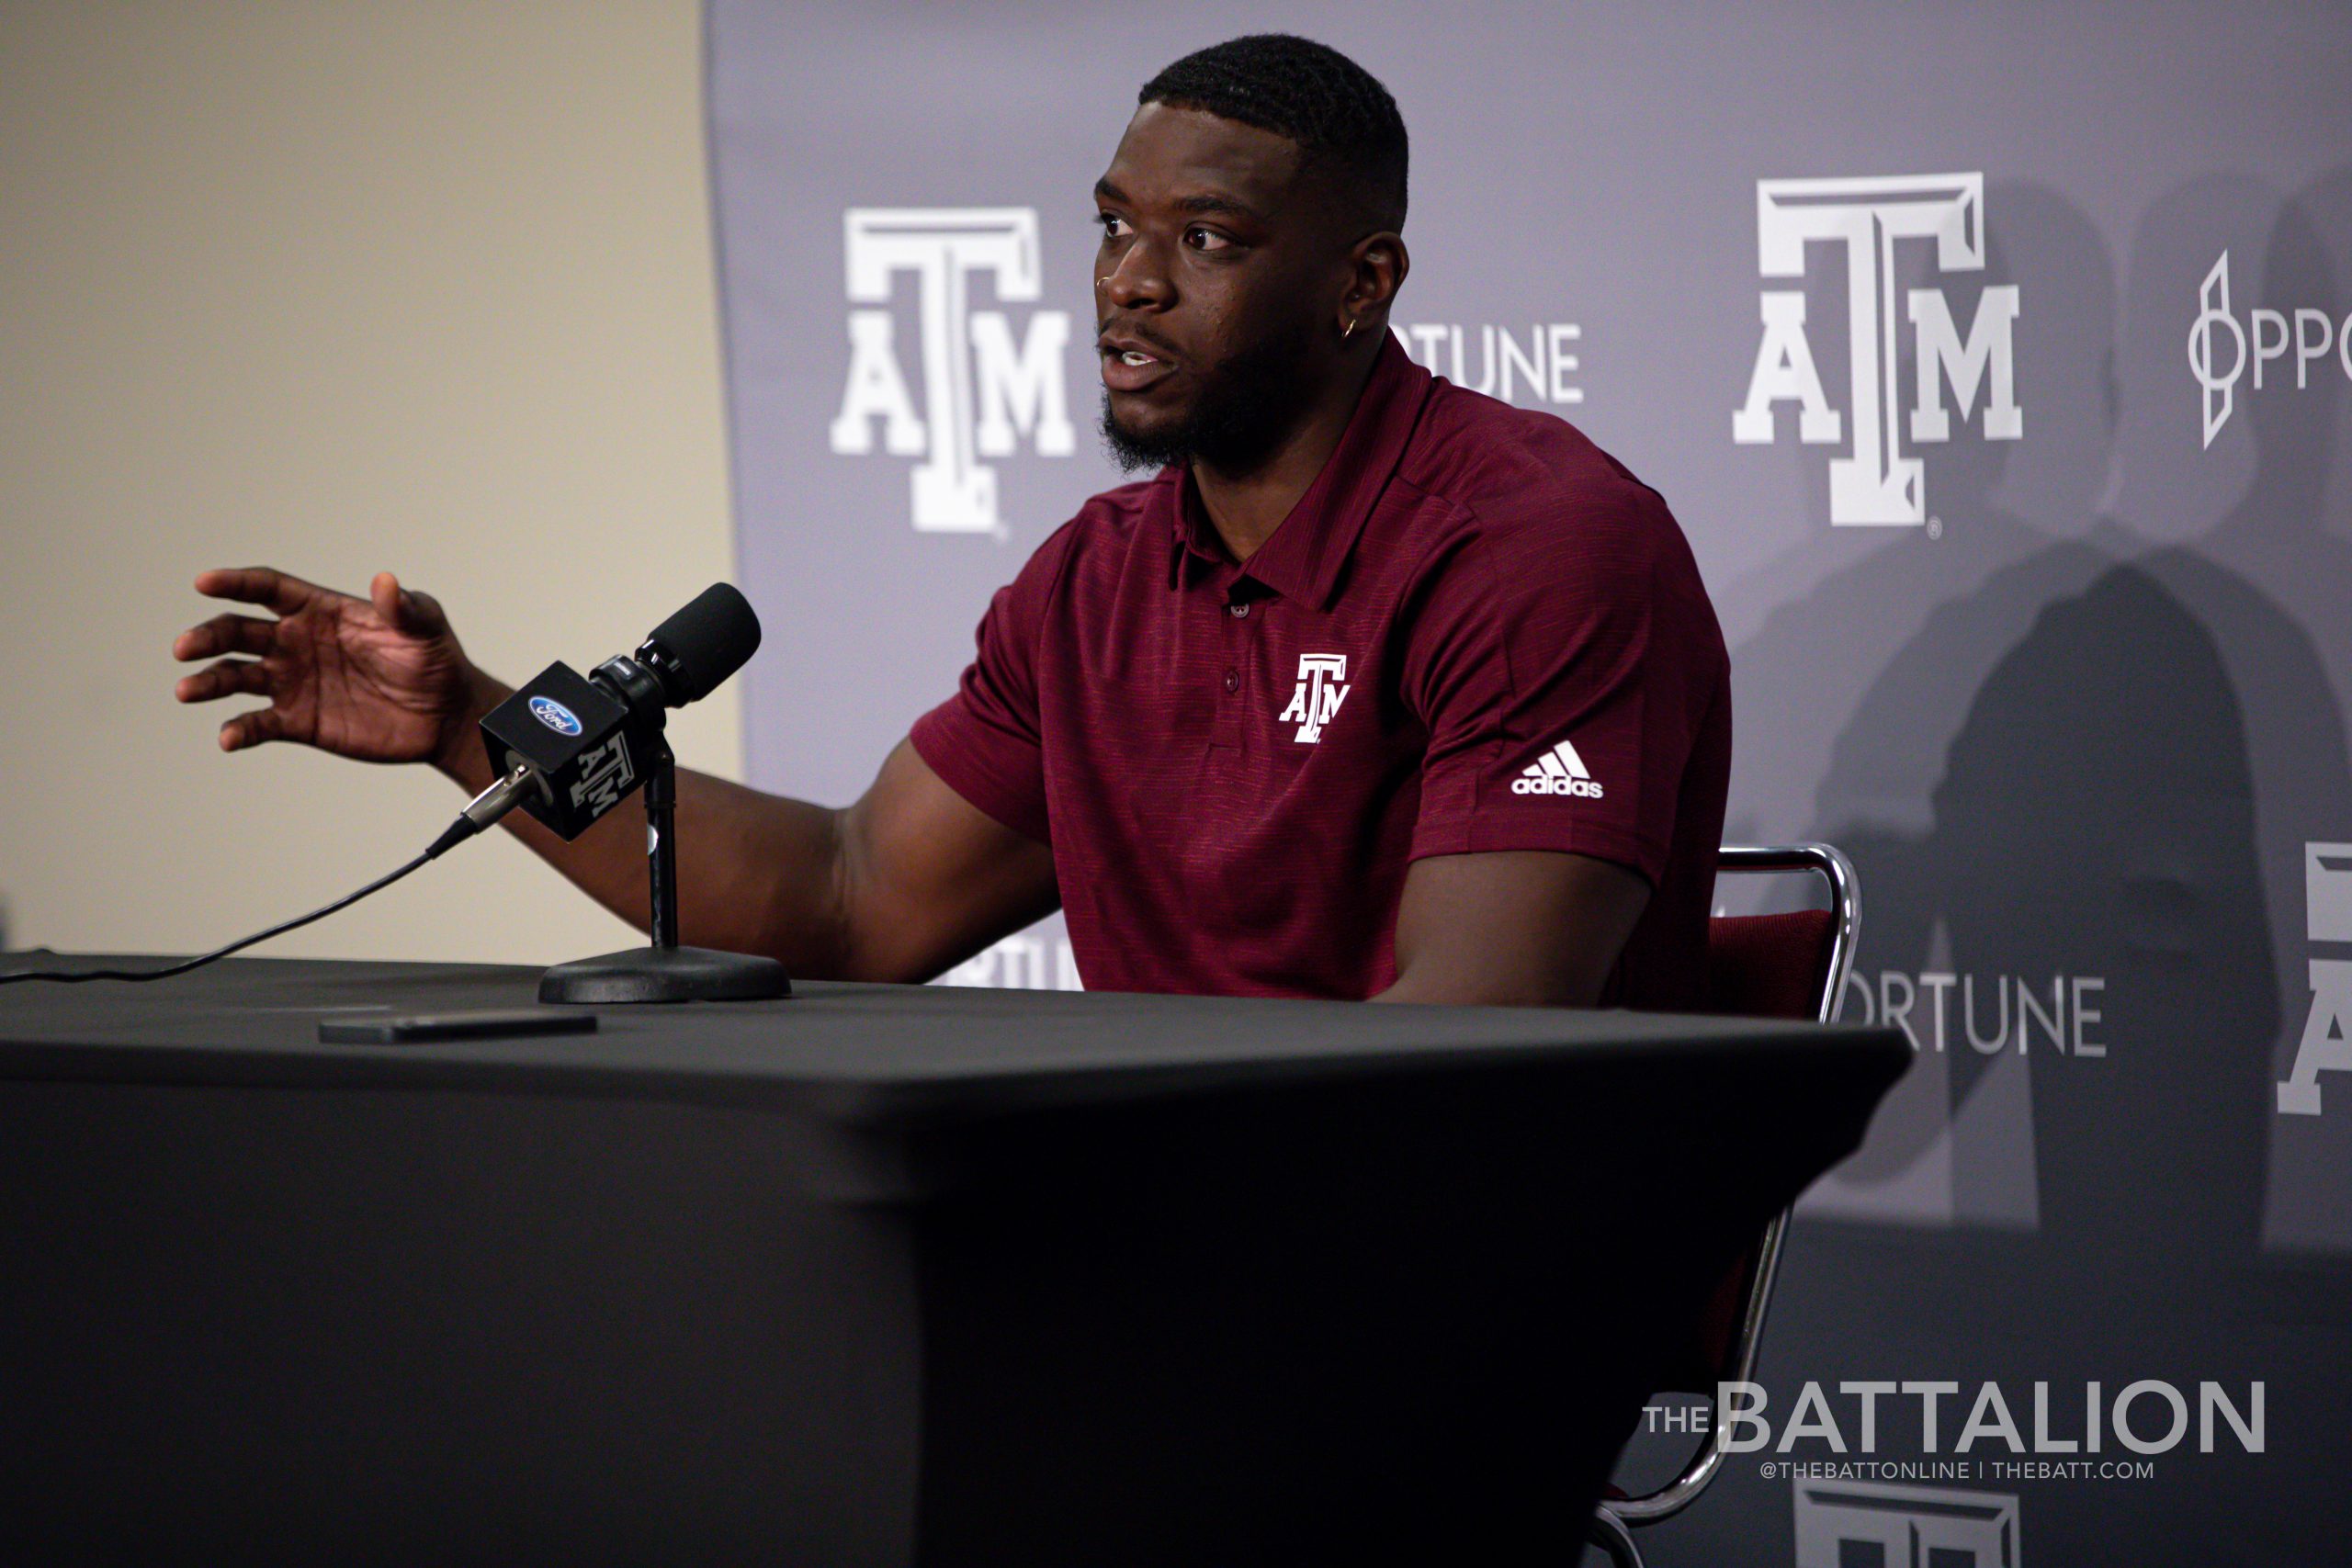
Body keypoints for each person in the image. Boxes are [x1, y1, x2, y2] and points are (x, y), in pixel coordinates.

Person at [171, 35, 1728, 1009]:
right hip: (1171, 1259)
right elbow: (850, 902)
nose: (1129, 279)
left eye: (1208, 238)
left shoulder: (1530, 549)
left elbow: (1472, 1049)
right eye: (1117, 225)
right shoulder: (1097, 585)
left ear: (1363, 285)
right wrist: (481, 726)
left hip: (1447, 1282)